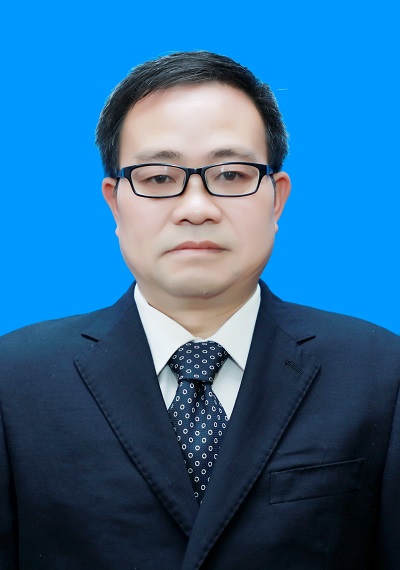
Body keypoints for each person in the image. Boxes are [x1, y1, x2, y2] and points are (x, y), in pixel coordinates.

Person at [0, 51, 399, 570]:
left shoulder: (380, 372)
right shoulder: (15, 379)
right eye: (158, 178)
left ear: (277, 199)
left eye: (230, 174)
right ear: (114, 202)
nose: (196, 208)